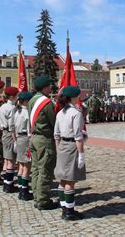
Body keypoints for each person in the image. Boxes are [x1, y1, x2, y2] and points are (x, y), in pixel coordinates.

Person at [54, 86, 86, 220]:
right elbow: (78, 136)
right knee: (70, 181)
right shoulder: (76, 113)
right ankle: (69, 211)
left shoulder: (60, 113)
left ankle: (64, 208)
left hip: (61, 146)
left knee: (62, 180)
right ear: (74, 97)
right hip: (72, 146)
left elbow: (56, 134)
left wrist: (58, 149)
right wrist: (81, 154)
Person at [28, 76, 57, 210]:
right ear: (45, 87)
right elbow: (53, 122)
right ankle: (43, 200)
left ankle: (36, 195)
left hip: (34, 137)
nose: (51, 87)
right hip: (44, 139)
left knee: (35, 169)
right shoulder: (46, 103)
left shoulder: (32, 100)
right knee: (45, 169)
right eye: (49, 85)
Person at [12, 91, 34, 201]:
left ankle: (21, 189)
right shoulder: (27, 113)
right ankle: (25, 191)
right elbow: (30, 130)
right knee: (27, 166)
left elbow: (12, 128)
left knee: (20, 165)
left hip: (19, 138)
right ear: (26, 101)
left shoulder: (16, 111)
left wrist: (15, 140)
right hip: (26, 139)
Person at [0, 86, 19, 193]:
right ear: (12, 96)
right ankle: (9, 184)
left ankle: (7, 182)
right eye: (16, 95)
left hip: (4, 132)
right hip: (10, 133)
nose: (17, 98)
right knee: (11, 160)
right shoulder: (11, 108)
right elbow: (12, 125)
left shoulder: (3, 106)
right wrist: (15, 140)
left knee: (7, 159)